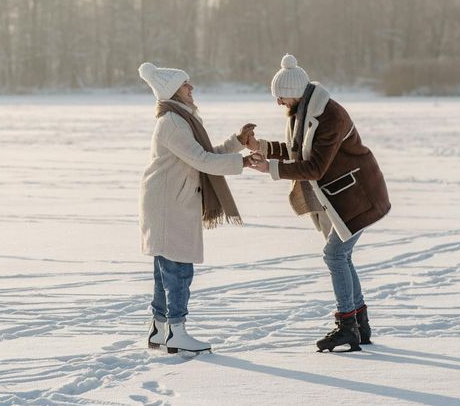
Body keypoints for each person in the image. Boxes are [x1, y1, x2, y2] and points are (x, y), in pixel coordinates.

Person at [249, 54, 390, 352]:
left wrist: (271, 169)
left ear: (295, 91)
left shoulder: (330, 117)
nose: (279, 103)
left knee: (335, 256)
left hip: (359, 197)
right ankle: (359, 325)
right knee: (342, 257)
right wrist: (260, 147)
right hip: (343, 198)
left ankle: (348, 326)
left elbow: (314, 167)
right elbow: (295, 150)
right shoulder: (304, 113)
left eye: (281, 96)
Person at [138, 62, 258, 354]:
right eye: (185, 85)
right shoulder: (173, 123)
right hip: (170, 204)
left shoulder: (181, 119)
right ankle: (176, 332)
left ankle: (160, 328)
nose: (191, 88)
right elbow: (202, 161)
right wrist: (242, 162)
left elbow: (204, 154)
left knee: (166, 267)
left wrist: (237, 143)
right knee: (177, 268)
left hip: (171, 201)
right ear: (173, 92)